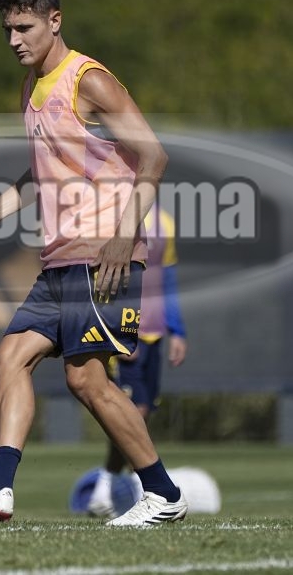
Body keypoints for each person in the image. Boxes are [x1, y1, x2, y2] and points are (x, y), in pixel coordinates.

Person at [0, 0, 187, 527]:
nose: (14, 40)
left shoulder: (89, 80)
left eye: (24, 28)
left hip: (103, 254)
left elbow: (154, 157)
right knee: (7, 359)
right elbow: (40, 171)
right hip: (58, 259)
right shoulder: (30, 88)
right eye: (7, 30)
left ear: (55, 21)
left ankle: (163, 495)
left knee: (85, 380)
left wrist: (123, 236)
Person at [87, 204, 188, 518]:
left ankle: (105, 489)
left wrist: (177, 330)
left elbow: (166, 279)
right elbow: (103, 277)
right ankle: (144, 489)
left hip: (155, 335)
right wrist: (120, 332)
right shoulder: (113, 218)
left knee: (139, 416)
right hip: (127, 332)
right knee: (135, 411)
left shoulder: (165, 222)